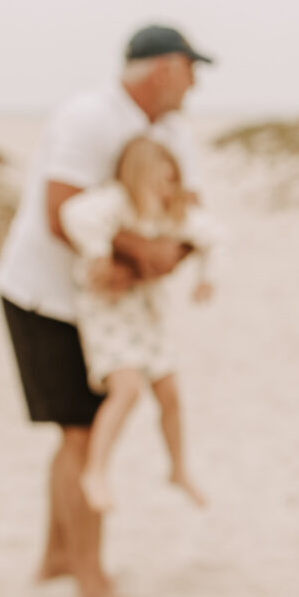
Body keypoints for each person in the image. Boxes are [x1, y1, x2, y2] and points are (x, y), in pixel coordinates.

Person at [0, 24, 213, 597]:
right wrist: (137, 259)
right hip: (48, 297)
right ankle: (91, 581)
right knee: (82, 433)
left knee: (79, 431)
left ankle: (57, 559)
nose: (196, 83)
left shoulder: (169, 132)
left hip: (108, 299)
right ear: (164, 67)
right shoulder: (89, 117)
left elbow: (191, 214)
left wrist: (173, 256)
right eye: (192, 69)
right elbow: (57, 213)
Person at [60, 134, 223, 514]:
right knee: (128, 388)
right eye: (159, 182)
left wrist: (207, 276)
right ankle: (95, 471)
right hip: (109, 309)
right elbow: (73, 214)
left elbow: (216, 235)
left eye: (172, 181)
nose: (167, 190)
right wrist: (99, 251)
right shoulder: (116, 203)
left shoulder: (171, 213)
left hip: (147, 313)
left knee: (170, 391)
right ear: (136, 178)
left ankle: (178, 467)